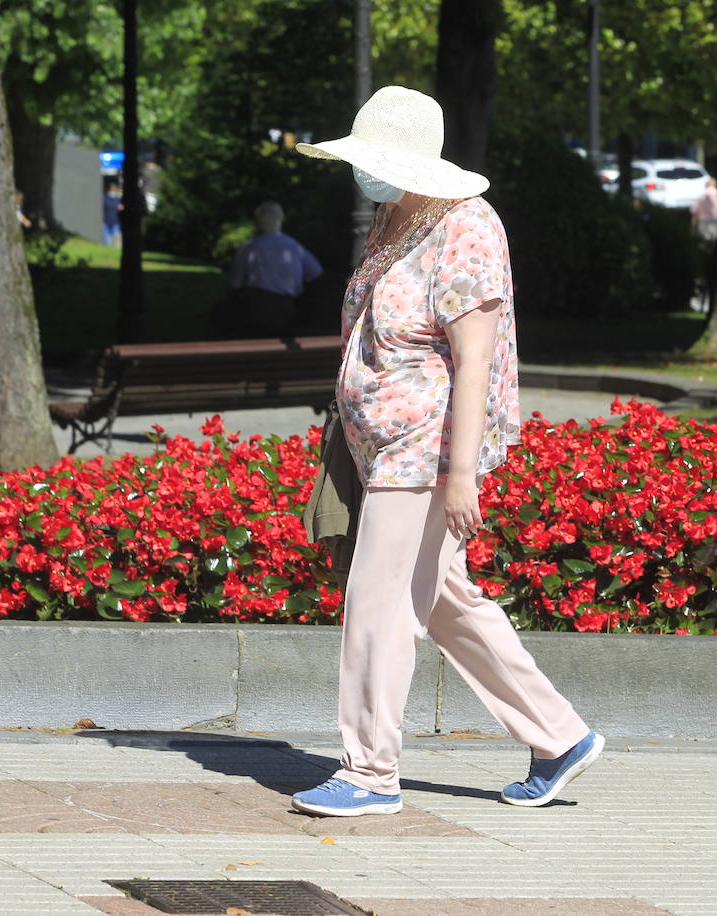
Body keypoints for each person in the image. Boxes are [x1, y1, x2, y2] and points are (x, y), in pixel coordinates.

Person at [289, 85, 602, 818]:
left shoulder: (467, 226)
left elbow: (476, 359)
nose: (360, 174)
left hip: (423, 448)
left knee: (381, 600)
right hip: (385, 445)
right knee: (446, 599)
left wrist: (461, 475)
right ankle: (560, 736)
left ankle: (368, 771)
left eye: (371, 161)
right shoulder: (394, 217)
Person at [211, 201, 323, 338]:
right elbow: (315, 272)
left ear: (257, 222)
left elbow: (234, 284)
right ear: (281, 220)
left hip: (255, 310)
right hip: (286, 310)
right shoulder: (293, 246)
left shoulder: (250, 248)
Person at [689, 176, 717, 241]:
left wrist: (692, 228)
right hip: (716, 222)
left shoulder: (701, 196)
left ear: (706, 185)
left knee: (704, 243)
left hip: (703, 222)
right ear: (716, 185)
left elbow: (695, 213)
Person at [102, 179, 123, 247]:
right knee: (107, 242)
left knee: (115, 242)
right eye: (112, 189)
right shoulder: (105, 198)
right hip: (106, 221)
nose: (113, 190)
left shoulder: (118, 199)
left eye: (114, 189)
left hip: (116, 222)